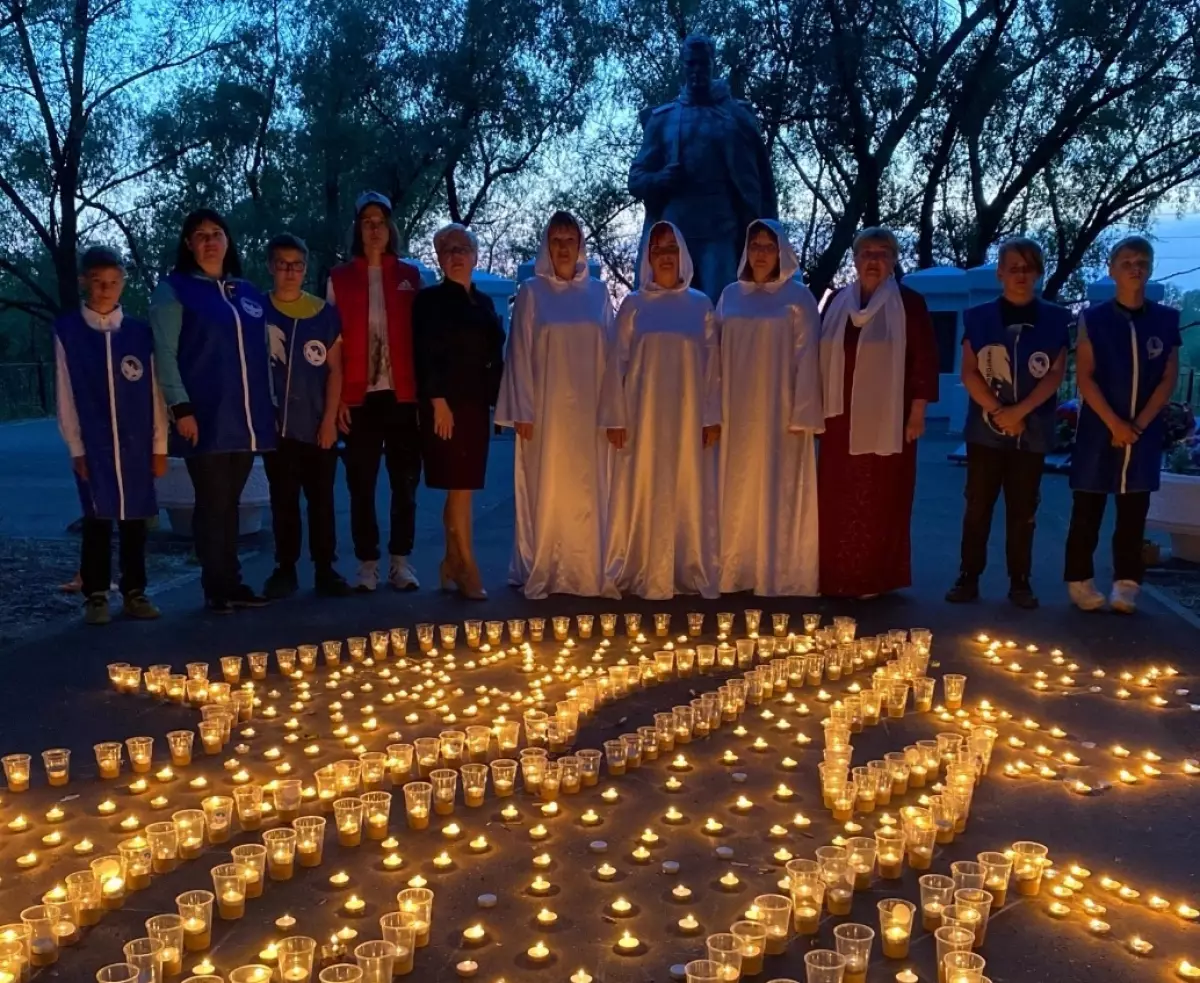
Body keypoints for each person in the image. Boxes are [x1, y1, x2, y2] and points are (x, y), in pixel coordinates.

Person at [151, 208, 276, 614]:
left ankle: (232, 580)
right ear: (188, 243)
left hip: (246, 418)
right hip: (203, 414)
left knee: (231, 501)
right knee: (212, 500)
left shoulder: (248, 292)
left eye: (217, 233)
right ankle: (216, 584)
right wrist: (180, 406)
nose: (209, 241)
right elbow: (165, 353)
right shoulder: (174, 290)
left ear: (228, 241)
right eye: (200, 234)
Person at [946, 238, 1070, 609]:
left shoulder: (1055, 318)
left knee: (1024, 509)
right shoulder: (980, 317)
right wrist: (999, 411)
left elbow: (1055, 374)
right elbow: (969, 372)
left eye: (1028, 267)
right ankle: (969, 575)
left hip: (1032, 430)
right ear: (1000, 272)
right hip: (985, 431)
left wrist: (1021, 413)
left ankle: (1020, 581)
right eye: (1013, 267)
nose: (1020, 274)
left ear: (1038, 273)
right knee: (978, 506)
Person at [600, 220, 721, 600]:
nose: (665, 256)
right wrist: (615, 416)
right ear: (648, 257)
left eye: (671, 249)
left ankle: (685, 566)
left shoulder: (701, 305)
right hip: (642, 417)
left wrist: (711, 416)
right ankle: (641, 565)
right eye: (658, 249)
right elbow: (615, 364)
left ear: (682, 254)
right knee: (643, 486)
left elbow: (713, 368)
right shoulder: (634, 305)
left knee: (686, 487)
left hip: (687, 419)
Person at [496, 212, 614, 598]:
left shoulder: (598, 293)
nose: (564, 247)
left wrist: (614, 412)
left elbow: (611, 354)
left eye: (570, 239)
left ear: (581, 245)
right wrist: (521, 410)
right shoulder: (532, 292)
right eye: (556, 239)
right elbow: (519, 352)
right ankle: (545, 564)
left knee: (587, 489)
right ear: (547, 245)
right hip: (545, 412)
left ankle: (584, 566)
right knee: (547, 486)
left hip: (590, 412)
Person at [818, 227, 939, 598]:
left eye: (882, 252)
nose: (873, 260)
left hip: (890, 420)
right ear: (854, 260)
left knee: (882, 497)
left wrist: (917, 412)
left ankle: (874, 578)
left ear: (894, 260)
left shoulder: (909, 303)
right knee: (836, 499)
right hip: (839, 420)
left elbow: (924, 360)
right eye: (866, 253)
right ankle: (835, 576)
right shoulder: (836, 301)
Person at [1065, 235, 1181, 614]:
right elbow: (1085, 377)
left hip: (1143, 431)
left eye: (1142, 261)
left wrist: (1140, 423)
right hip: (1100, 427)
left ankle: (1126, 583)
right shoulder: (1093, 319)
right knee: (1088, 507)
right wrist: (1115, 423)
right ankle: (1079, 580)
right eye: (1127, 261)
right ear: (1112, 269)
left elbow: (1168, 377)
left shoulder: (1165, 319)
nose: (1135, 267)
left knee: (1134, 510)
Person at [55, 246, 167, 625]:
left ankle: (135, 590)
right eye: (98, 283)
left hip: (136, 443)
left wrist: (159, 444)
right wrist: (76, 446)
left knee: (135, 519)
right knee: (98, 518)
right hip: (95, 444)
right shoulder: (70, 332)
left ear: (123, 283)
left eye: (113, 283)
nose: (106, 290)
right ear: (85, 282)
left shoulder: (138, 334)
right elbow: (65, 392)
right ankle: (96, 594)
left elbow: (155, 392)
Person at [628, 33, 778, 302]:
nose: (697, 70)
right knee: (669, 313)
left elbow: (760, 182)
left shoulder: (735, 116)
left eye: (703, 63)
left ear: (712, 64)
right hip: (673, 234)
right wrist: (660, 178)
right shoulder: (663, 119)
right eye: (691, 64)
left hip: (720, 230)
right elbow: (636, 179)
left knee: (722, 310)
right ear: (683, 66)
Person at [716, 220, 823, 596]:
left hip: (781, 412)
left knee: (778, 489)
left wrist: (804, 414)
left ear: (781, 252)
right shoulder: (730, 295)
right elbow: (714, 356)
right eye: (755, 244)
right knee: (737, 488)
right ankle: (737, 569)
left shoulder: (798, 297)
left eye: (769, 245)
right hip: (735, 411)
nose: (761, 252)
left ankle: (779, 571)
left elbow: (809, 357)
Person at [327, 192, 423, 592]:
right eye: (366, 220)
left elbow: (422, 338)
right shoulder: (340, 279)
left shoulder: (409, 276)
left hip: (402, 396)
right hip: (358, 400)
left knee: (405, 482)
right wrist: (336, 404)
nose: (374, 227)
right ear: (357, 229)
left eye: (380, 220)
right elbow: (332, 344)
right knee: (361, 483)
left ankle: (401, 562)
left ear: (390, 228)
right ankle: (367, 562)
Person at [413, 223, 506, 600]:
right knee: (460, 487)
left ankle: (452, 561)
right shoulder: (429, 301)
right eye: (448, 250)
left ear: (475, 256)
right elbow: (423, 353)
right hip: (445, 406)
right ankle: (467, 566)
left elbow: (493, 356)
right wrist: (437, 402)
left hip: (474, 405)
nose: (455, 256)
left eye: (462, 249)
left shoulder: (482, 303)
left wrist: (500, 401)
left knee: (462, 486)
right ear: (439, 258)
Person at [261, 233, 352, 599]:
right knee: (283, 499)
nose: (289, 272)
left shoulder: (324, 315)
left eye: (296, 265)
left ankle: (325, 567)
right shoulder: (257, 311)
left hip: (318, 426)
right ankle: (284, 567)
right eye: (282, 264)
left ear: (305, 268)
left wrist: (329, 420)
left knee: (322, 499)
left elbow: (335, 371)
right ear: (271, 267)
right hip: (276, 427)